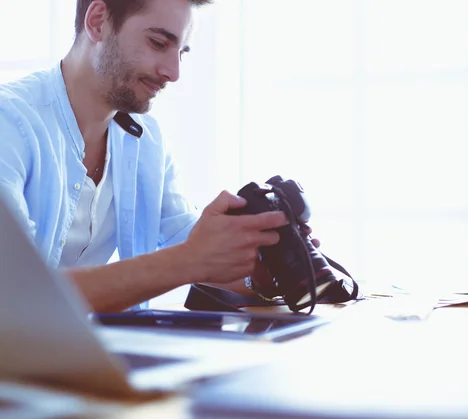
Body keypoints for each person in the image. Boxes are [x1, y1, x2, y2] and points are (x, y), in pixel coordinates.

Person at [0, 0, 315, 312]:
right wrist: (191, 259)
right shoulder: (9, 123)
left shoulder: (146, 140)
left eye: (181, 53)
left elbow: (187, 244)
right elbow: (14, 292)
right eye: (158, 42)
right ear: (98, 22)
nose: (173, 72)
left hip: (84, 354)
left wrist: (262, 267)